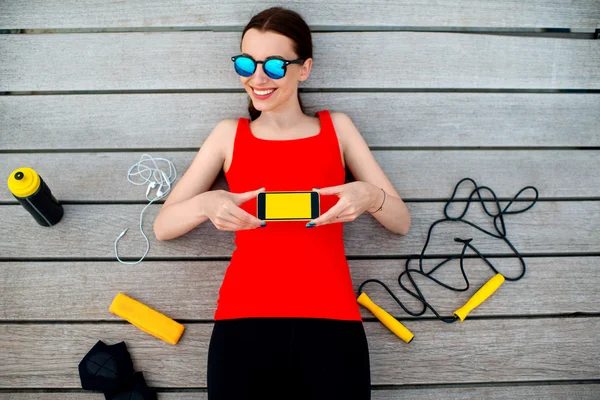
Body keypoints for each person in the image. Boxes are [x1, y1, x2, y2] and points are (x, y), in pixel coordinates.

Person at [153, 6, 411, 399]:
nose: (257, 78)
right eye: (246, 63)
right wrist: (208, 203)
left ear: (304, 69)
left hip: (332, 319)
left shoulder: (337, 128)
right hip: (244, 319)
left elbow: (401, 222)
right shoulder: (228, 134)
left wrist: (370, 196)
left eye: (274, 66)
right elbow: (163, 226)